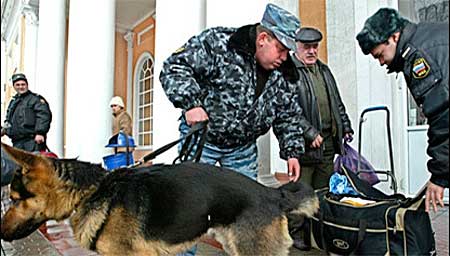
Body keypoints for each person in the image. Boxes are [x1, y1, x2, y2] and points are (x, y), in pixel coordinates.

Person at [160, 4, 303, 255]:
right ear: (263, 39)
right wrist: (191, 103)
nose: (284, 57)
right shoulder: (219, 43)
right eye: (281, 49)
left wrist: (292, 150)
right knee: (188, 208)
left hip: (242, 148)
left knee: (248, 210)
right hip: (203, 140)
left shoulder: (284, 72)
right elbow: (174, 67)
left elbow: (288, 113)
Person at [356, 8, 448, 213]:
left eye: (380, 54)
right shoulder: (429, 36)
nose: (381, 62)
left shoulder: (419, 56)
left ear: (394, 36)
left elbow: (443, 117)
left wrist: (439, 176)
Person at [288, 27, 354, 250]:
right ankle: (296, 233)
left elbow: (336, 102)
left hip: (327, 143)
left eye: (315, 46)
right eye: (307, 47)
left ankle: (318, 231)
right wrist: (309, 133)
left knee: (323, 194)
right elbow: (287, 111)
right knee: (301, 194)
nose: (311, 51)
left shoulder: (324, 70)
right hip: (303, 148)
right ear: (297, 46)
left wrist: (345, 125)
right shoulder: (290, 72)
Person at [1, 73, 52, 152]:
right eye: (17, 85)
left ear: (27, 85)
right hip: (17, 142)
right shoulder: (13, 102)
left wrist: (40, 133)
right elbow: (9, 120)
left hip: (32, 141)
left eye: (23, 84)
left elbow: (43, 116)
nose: (20, 87)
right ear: (14, 86)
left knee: (32, 163)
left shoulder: (35, 99)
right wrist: (4, 130)